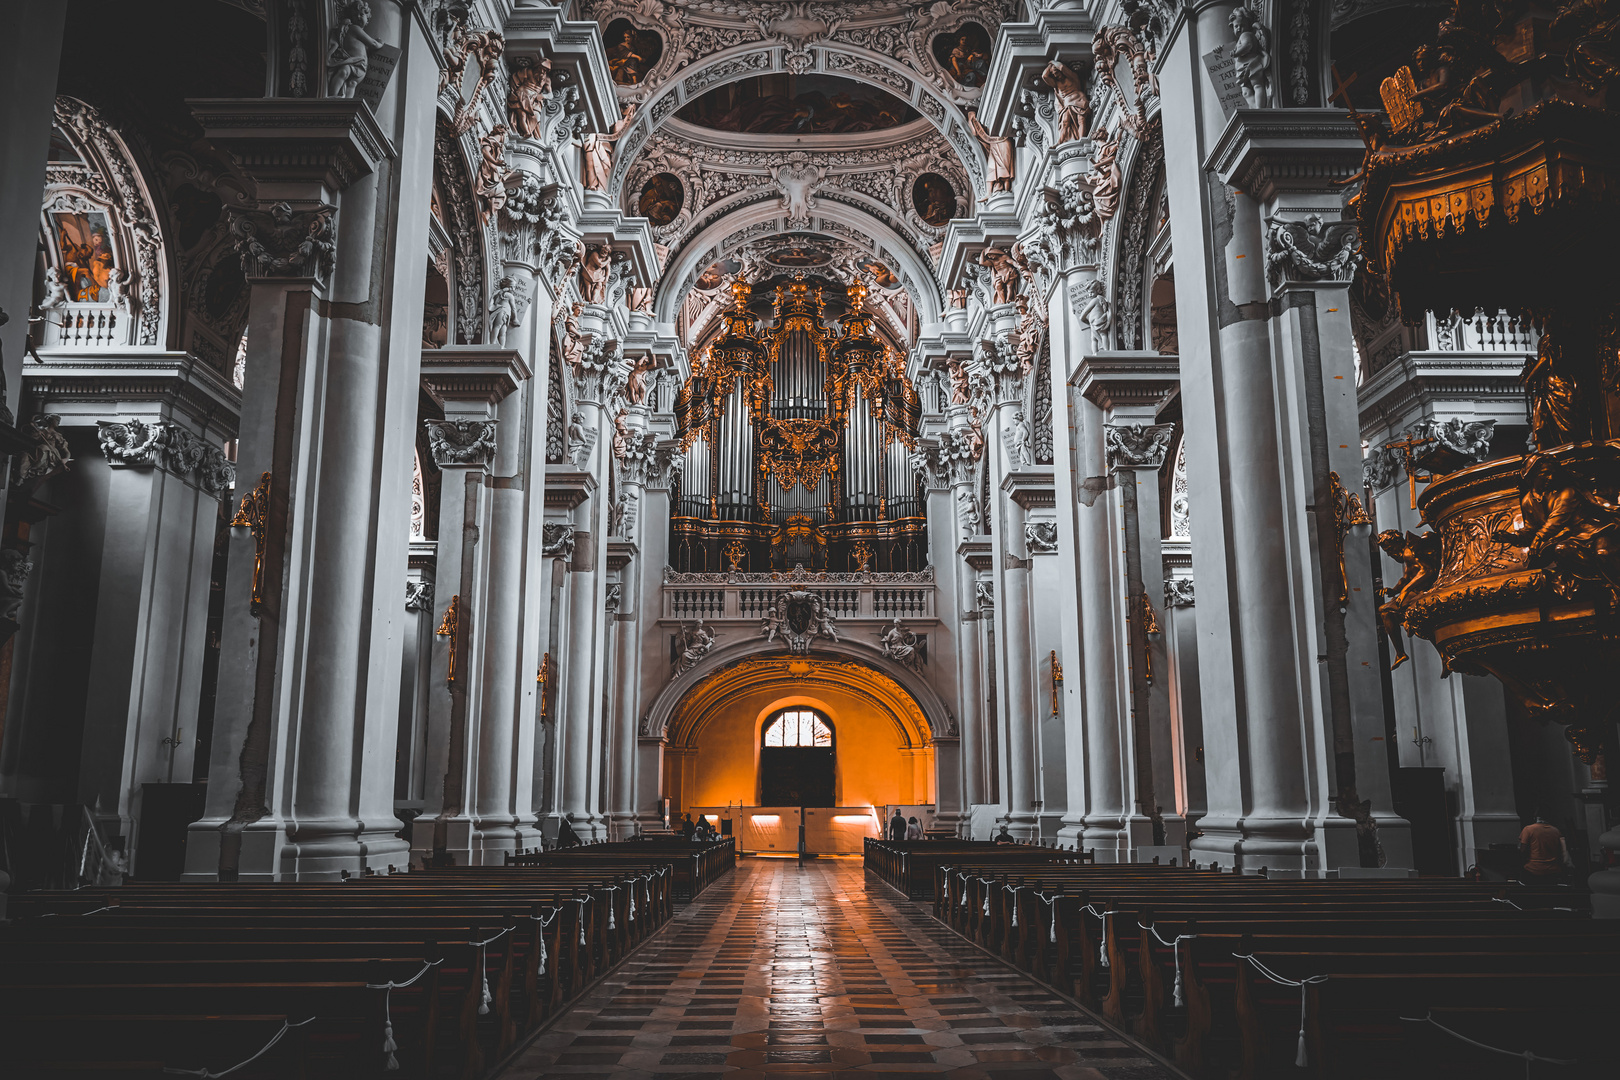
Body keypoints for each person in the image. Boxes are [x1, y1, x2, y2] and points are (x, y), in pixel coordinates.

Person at [1519, 810, 1572, 883]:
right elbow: (1562, 852)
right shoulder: (1556, 831)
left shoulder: (1528, 829)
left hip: (1533, 869)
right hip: (1553, 871)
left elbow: (1522, 850)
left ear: (1535, 817)